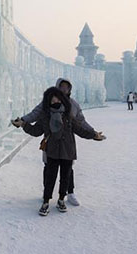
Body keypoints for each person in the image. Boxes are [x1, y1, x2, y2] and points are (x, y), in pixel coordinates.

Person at [12, 87, 105, 216]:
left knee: (65, 178)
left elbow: (80, 129)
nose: (54, 99)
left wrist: (93, 135)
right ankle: (45, 202)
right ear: (48, 100)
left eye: (57, 97)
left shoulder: (68, 115)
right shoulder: (45, 116)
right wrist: (23, 124)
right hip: (52, 151)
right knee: (50, 177)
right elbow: (35, 131)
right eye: (51, 97)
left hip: (68, 151)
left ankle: (61, 200)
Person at [53, 78, 93, 206]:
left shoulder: (73, 104)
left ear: (69, 89)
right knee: (49, 168)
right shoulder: (49, 101)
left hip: (67, 141)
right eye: (62, 86)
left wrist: (93, 132)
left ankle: (70, 193)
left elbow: (81, 121)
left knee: (68, 168)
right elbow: (37, 114)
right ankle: (46, 194)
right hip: (52, 141)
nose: (64, 89)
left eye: (67, 87)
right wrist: (24, 120)